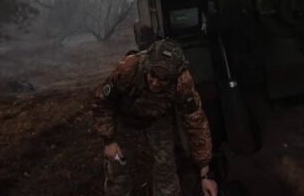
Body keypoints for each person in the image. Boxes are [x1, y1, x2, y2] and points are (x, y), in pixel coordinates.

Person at [92, 39, 218, 196]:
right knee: (116, 163)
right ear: (147, 67)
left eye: (164, 79)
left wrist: (205, 172)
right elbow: (101, 103)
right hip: (125, 117)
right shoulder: (128, 69)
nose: (156, 82)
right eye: (153, 75)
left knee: (166, 166)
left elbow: (196, 122)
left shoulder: (182, 83)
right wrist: (109, 140)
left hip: (157, 118)